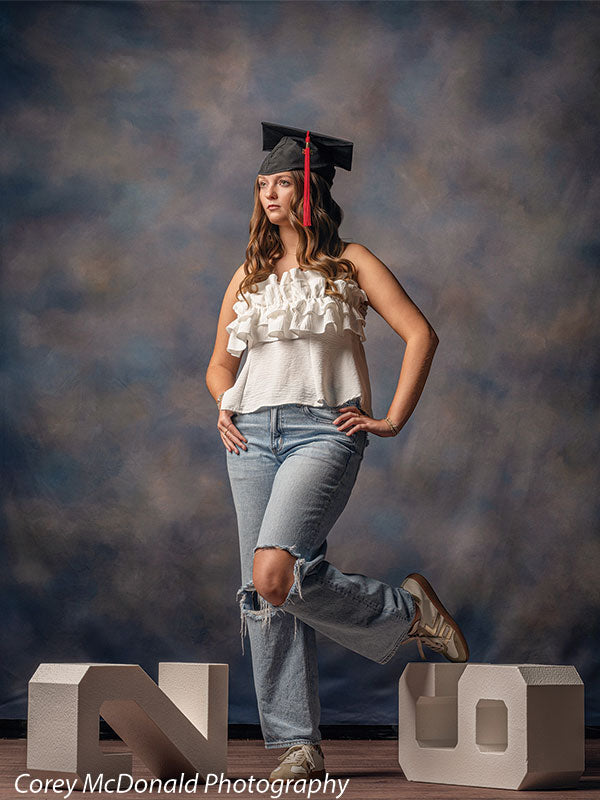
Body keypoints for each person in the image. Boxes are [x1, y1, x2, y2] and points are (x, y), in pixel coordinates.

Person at [205, 122, 469, 784]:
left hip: (326, 431)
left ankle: (407, 613)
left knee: (274, 572)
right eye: (263, 184)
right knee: (264, 594)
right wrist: (224, 403)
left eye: (283, 182)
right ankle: (298, 745)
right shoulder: (249, 275)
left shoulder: (351, 261)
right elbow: (218, 366)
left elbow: (420, 333)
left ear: (308, 191)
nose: (270, 193)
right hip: (250, 439)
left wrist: (393, 419)